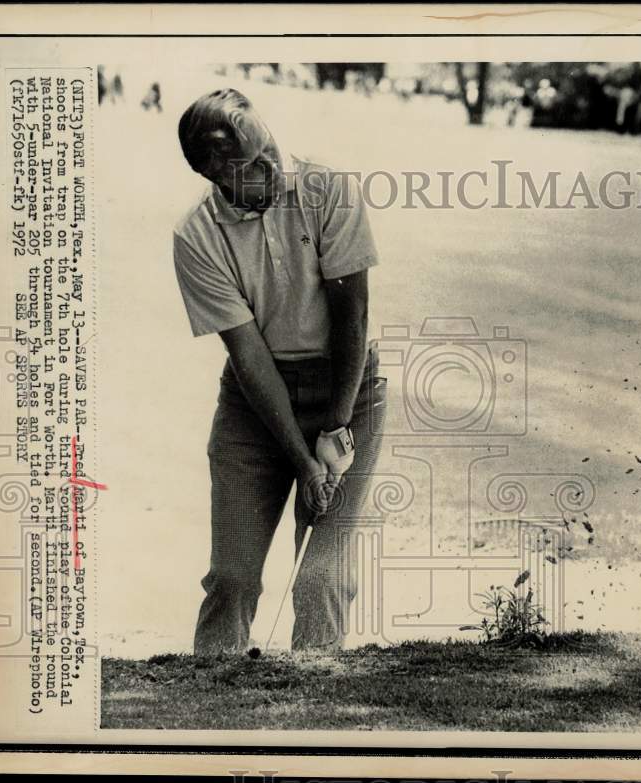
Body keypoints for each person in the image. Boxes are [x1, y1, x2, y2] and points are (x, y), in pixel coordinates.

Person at [172, 88, 386, 654]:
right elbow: (248, 357)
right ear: (213, 172)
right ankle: (211, 706)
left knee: (322, 579)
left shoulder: (328, 189)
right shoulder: (196, 235)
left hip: (349, 388)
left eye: (270, 151)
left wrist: (334, 438)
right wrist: (301, 459)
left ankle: (313, 707)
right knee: (233, 577)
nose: (272, 168)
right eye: (252, 166)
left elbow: (353, 319)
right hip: (256, 403)